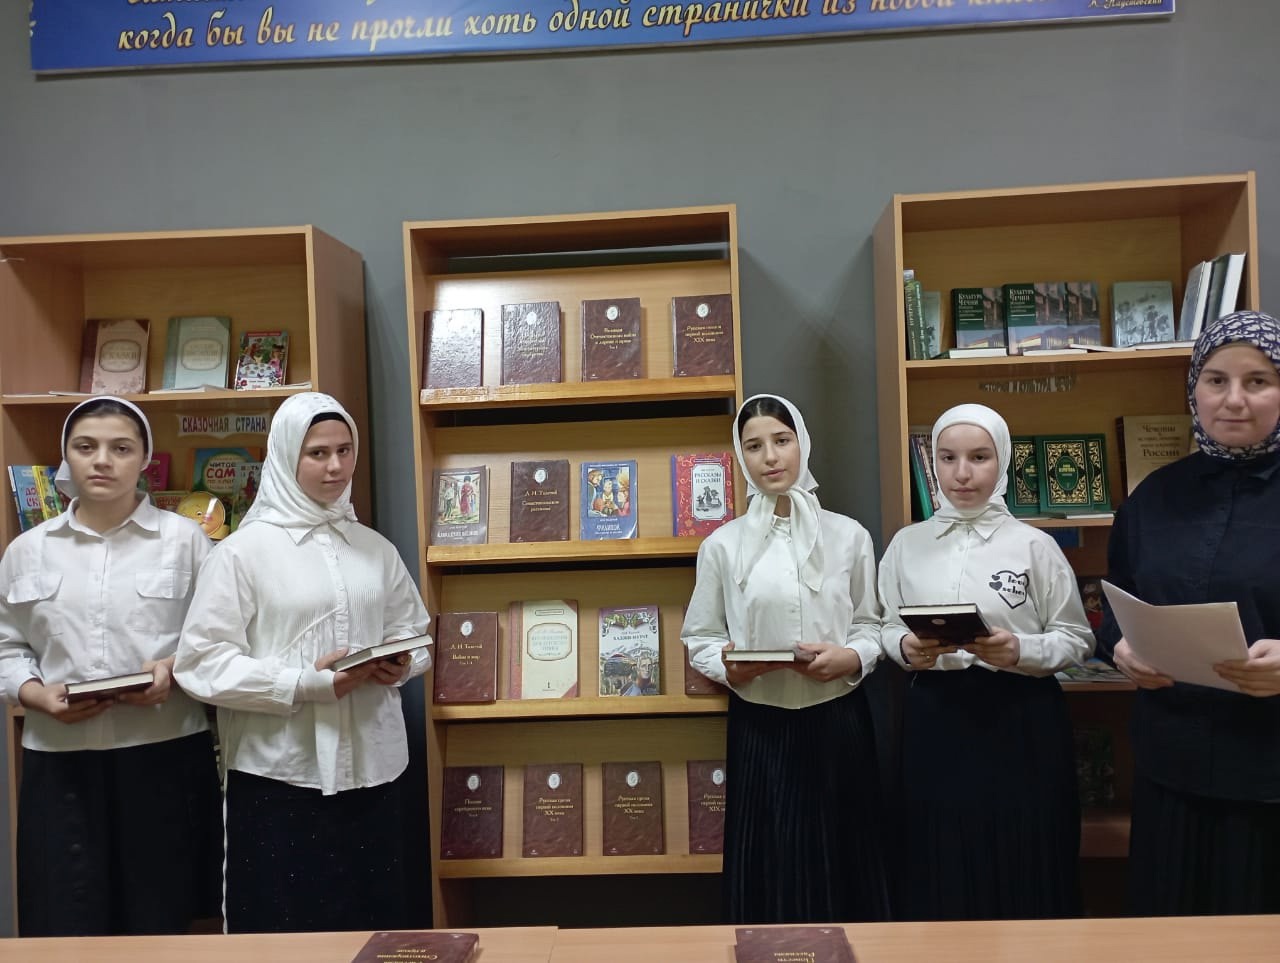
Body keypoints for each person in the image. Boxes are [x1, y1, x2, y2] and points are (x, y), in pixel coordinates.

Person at [174, 392, 432, 933]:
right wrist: (303, 683)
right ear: (287, 455)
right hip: (279, 777)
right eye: (317, 453)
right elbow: (200, 663)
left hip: (374, 771)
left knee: (373, 927)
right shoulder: (242, 553)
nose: (335, 466)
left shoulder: (375, 548)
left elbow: (415, 633)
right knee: (283, 930)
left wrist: (403, 663)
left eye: (344, 451)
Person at [0, 396, 220, 936]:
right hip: (60, 761)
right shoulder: (26, 551)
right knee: (64, 919)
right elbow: (7, 647)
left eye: (121, 448)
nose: (102, 460)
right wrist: (33, 693)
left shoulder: (186, 541)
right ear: (66, 457)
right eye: (86, 447)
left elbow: (217, 639)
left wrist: (172, 671)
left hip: (166, 754)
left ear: (144, 459)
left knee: (165, 921)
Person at [878, 403, 1093, 921]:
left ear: (1003, 461)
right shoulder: (907, 544)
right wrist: (905, 648)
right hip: (936, 718)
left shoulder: (1035, 546)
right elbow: (882, 624)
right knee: (940, 850)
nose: (962, 473)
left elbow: (1076, 638)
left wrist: (1020, 650)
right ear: (933, 464)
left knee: (1025, 849)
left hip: (1020, 715)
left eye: (979, 457)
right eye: (947, 458)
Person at [1097, 309, 1280, 916]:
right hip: (1170, 770)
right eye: (1216, 380)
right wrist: (1121, 648)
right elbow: (1116, 601)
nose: (1234, 400)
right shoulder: (1155, 496)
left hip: (1268, 775)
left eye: (1258, 381)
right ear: (1193, 389)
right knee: (1170, 933)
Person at [681, 393, 889, 924]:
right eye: (754, 446)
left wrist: (852, 657)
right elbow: (700, 636)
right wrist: (728, 665)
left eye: (781, 440)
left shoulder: (849, 536)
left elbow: (872, 624)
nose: (770, 457)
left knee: (845, 852)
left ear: (802, 444)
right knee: (768, 857)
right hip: (761, 724)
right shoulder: (722, 546)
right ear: (740, 456)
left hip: (838, 719)